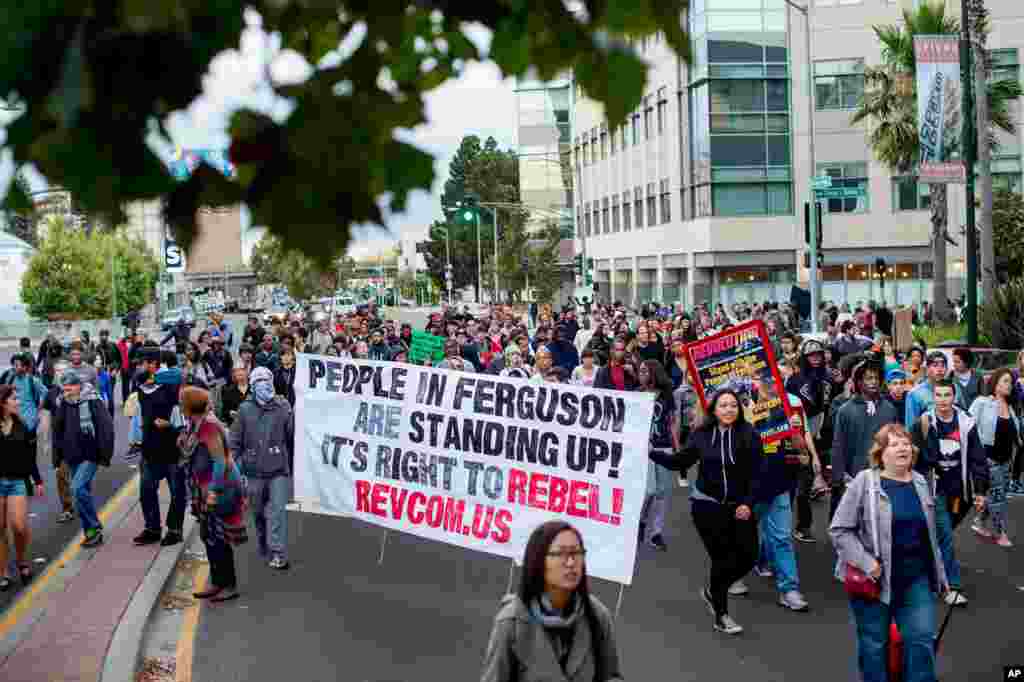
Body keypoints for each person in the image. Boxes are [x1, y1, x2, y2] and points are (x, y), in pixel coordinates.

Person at [830, 423, 948, 682]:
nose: (903, 448)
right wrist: (867, 563)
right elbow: (839, 530)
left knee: (921, 642)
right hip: (874, 581)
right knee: (875, 647)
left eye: (906, 443)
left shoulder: (920, 481)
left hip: (915, 580)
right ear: (881, 452)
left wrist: (941, 576)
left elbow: (930, 536)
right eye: (894, 444)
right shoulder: (864, 482)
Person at [649, 389, 760, 635]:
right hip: (707, 506)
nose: (729, 409)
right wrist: (650, 452)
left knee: (749, 556)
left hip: (740, 507)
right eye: (723, 405)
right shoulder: (701, 435)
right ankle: (721, 615)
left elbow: (757, 474)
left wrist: (748, 503)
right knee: (721, 559)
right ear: (713, 410)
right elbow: (679, 462)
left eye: (733, 405)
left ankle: (713, 591)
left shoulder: (749, 434)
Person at [480, 520, 623, 682]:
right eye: (561, 554)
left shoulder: (597, 615)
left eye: (577, 553)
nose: (571, 563)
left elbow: (610, 676)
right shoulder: (511, 622)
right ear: (539, 560)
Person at [911, 379, 988, 607]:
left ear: (954, 397)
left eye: (947, 395)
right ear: (932, 397)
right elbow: (913, 455)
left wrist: (981, 491)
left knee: (939, 533)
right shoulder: (923, 422)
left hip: (959, 492)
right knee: (944, 535)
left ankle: (927, 574)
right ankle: (952, 586)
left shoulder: (966, 422)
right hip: (934, 491)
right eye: (939, 395)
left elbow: (978, 459)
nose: (943, 400)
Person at [179, 385, 247, 603]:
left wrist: (214, 491)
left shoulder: (208, 426)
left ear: (190, 406)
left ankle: (229, 585)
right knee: (208, 536)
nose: (180, 406)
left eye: (182, 403)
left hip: (220, 488)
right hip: (204, 487)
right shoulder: (195, 424)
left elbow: (220, 461)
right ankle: (217, 581)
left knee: (219, 537)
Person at [231, 367, 294, 570]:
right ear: (252, 385)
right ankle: (263, 540)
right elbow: (234, 442)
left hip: (278, 470)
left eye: (267, 380)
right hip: (254, 472)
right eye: (258, 381)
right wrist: (235, 469)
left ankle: (278, 552)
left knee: (278, 513)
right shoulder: (244, 409)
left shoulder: (283, 406)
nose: (263, 384)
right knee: (258, 513)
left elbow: (293, 435)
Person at [52, 369, 115, 547]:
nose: (66, 392)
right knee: (82, 494)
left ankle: (95, 526)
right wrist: (56, 459)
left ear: (79, 386)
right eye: (63, 389)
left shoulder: (93, 401)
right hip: (72, 456)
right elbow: (57, 431)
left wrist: (104, 455)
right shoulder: (64, 403)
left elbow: (106, 428)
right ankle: (91, 533)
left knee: (77, 489)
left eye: (70, 387)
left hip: (90, 455)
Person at [830, 359, 899, 521]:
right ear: (859, 382)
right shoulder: (845, 411)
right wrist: (840, 478)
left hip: (884, 475)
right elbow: (839, 445)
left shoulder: (889, 409)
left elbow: (894, 442)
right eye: (868, 378)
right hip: (855, 477)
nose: (873, 382)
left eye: (876, 378)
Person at [134, 350, 187, 547]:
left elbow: (178, 376)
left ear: (154, 364)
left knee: (177, 492)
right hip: (149, 448)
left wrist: (170, 425)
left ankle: (174, 530)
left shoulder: (171, 384)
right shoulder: (141, 386)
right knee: (146, 491)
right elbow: (138, 381)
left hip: (172, 448)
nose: (140, 367)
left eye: (144, 363)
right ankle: (152, 529)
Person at [0, 385, 45, 589]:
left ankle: (20, 560)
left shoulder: (23, 426)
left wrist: (38, 480)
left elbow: (30, 457)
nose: (18, 402)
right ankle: (2, 571)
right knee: (0, 529)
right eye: (14, 399)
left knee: (18, 526)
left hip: (18, 481)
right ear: (3, 403)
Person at [968, 368, 1018, 547]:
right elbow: (968, 425)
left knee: (998, 495)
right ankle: (1000, 533)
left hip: (1006, 461)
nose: (1009, 385)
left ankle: (979, 522)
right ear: (995, 383)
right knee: (999, 499)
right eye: (1005, 381)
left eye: (1010, 382)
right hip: (989, 459)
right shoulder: (982, 402)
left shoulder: (1010, 407)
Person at [637, 360, 679, 551]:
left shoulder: (667, 395)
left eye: (645, 371)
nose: (642, 374)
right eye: (640, 371)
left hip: (664, 447)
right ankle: (640, 521)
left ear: (654, 373)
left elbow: (671, 422)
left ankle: (656, 533)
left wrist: (677, 448)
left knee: (662, 492)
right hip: (643, 448)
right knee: (650, 490)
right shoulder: (637, 394)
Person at [905, 351, 956, 429]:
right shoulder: (915, 394)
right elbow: (911, 427)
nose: (940, 369)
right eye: (935, 365)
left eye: (943, 366)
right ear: (927, 368)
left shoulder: (954, 389)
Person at [950, 347, 984, 412]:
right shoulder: (950, 377)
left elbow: (984, 398)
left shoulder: (978, 376)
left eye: (957, 362)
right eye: (953, 362)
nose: (954, 365)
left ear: (966, 362)